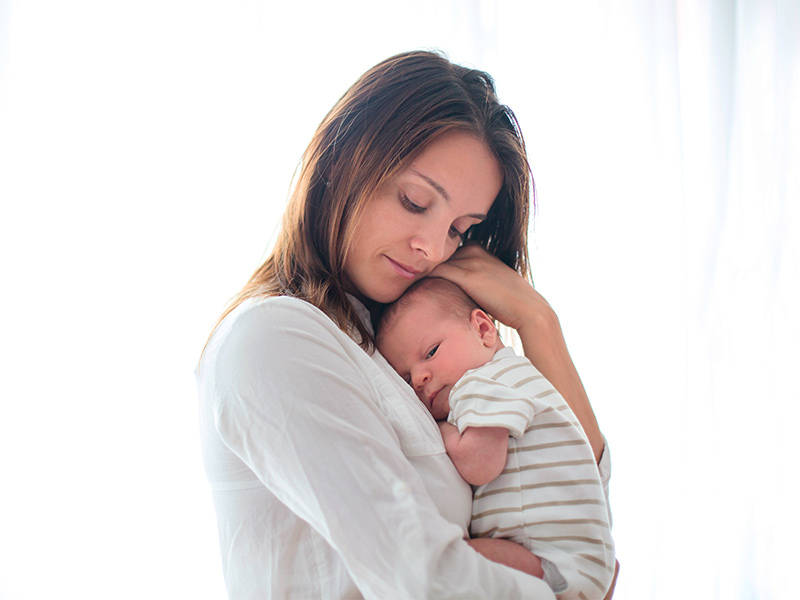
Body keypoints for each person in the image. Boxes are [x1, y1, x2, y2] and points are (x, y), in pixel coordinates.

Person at [197, 50, 614, 599]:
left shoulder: (404, 353)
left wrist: (539, 323)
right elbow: (419, 578)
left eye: (459, 230)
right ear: (346, 160)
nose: (432, 248)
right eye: (415, 201)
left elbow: (574, 510)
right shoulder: (274, 338)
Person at [376, 276, 615, 599]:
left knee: (447, 561)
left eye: (431, 352)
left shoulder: (482, 382)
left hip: (554, 561)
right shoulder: (509, 376)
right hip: (578, 564)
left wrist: (443, 432)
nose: (419, 378)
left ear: (484, 330)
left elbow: (480, 463)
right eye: (406, 378)